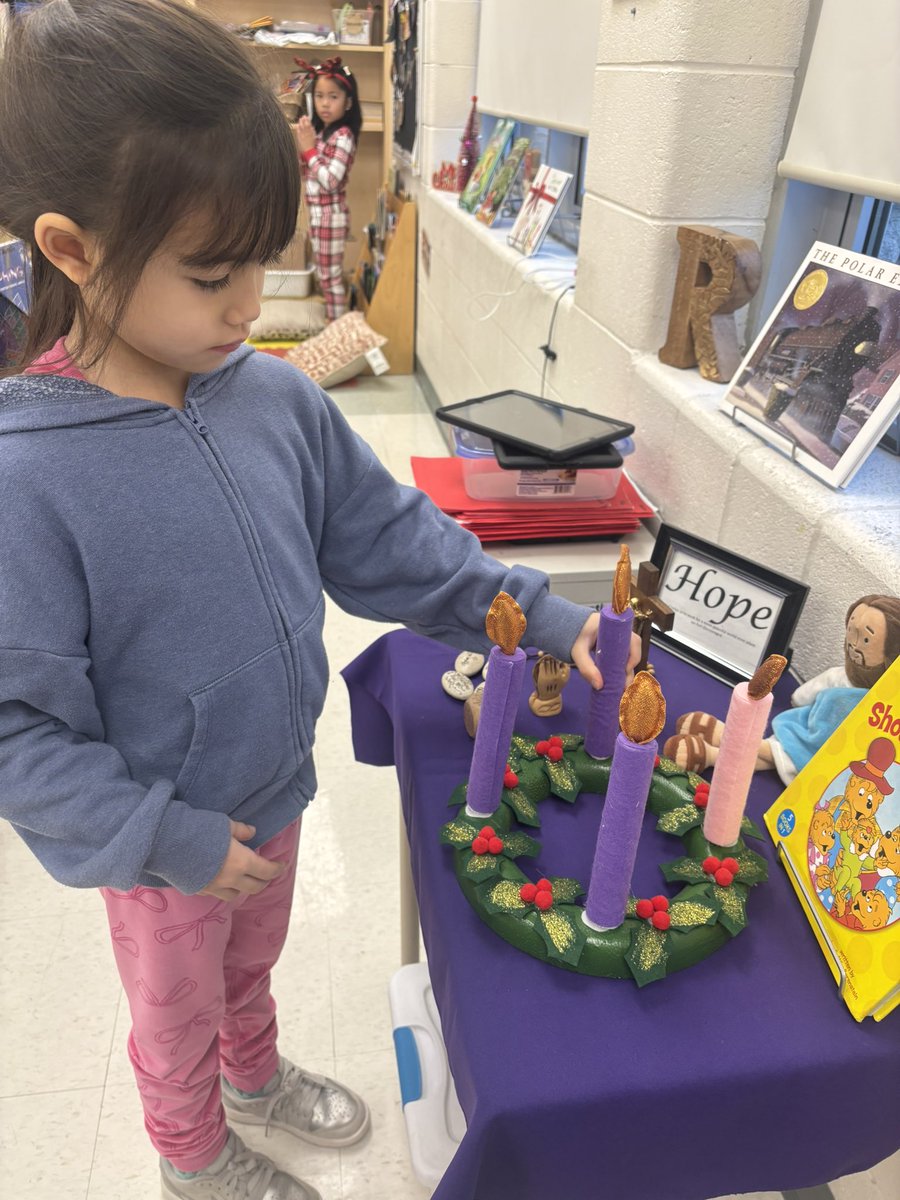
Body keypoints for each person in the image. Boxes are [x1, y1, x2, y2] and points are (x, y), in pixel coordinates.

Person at [0, 5, 620, 1198]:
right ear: (73, 251)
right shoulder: (30, 476)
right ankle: (193, 1156)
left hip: (277, 785)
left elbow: (389, 541)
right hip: (161, 846)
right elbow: (17, 730)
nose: (251, 305)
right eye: (211, 273)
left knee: (254, 970)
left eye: (261, 262)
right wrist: (168, 841)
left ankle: (257, 1077)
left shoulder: (269, 396)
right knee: (172, 1012)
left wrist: (541, 616)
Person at [664, 594, 900, 783]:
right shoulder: (839, 675)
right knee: (773, 755)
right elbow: (801, 698)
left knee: (768, 752)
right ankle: (714, 749)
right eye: (851, 631)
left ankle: (722, 739)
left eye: (866, 640)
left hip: (824, 757)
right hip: (804, 729)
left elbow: (801, 697)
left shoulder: (883, 706)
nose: (854, 644)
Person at [294, 57, 361, 322]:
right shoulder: (323, 134)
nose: (324, 103)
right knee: (325, 275)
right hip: (320, 217)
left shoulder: (343, 136)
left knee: (330, 278)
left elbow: (330, 180)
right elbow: (309, 173)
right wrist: (305, 150)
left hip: (330, 217)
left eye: (333, 96)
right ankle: (334, 324)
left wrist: (309, 149)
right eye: (319, 96)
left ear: (348, 102)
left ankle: (337, 329)